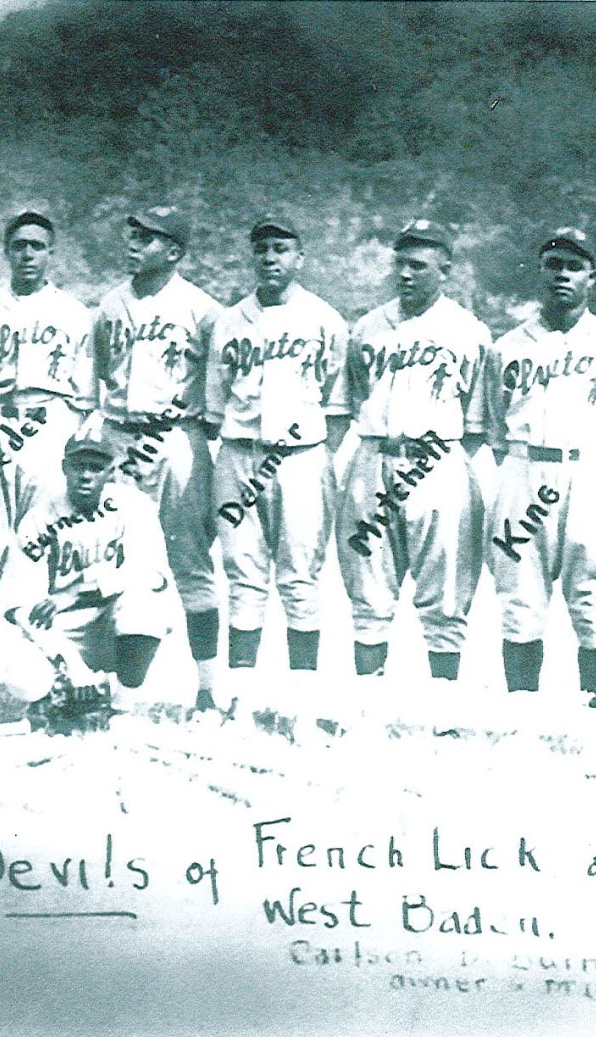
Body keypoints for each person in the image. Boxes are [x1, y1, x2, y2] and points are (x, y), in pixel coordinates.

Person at [482, 227, 596, 709]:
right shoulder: (507, 346)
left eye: (574, 266)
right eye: (553, 265)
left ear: (591, 277)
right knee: (518, 592)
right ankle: (521, 707)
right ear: (539, 273)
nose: (562, 275)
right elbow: (496, 432)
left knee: (595, 590)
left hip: (590, 473)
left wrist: (586, 464)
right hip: (523, 468)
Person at [329, 219, 492, 690]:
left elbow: (477, 423)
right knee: (368, 590)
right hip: (373, 456)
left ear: (445, 269)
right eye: (400, 263)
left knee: (444, 594)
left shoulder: (469, 330)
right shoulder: (367, 326)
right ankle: (367, 701)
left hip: (436, 460)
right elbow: (352, 398)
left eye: (417, 265)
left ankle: (441, 707)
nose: (405, 274)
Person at [0, 209, 94, 724]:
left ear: (51, 253)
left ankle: (48, 687)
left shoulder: (76, 313)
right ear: (6, 252)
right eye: (19, 246)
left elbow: (86, 391)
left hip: (48, 426)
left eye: (38, 246)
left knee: (41, 560)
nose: (28, 255)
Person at [205, 214, 348, 723]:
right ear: (252, 257)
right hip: (240, 452)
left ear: (299, 258)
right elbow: (214, 404)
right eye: (262, 248)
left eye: (281, 249)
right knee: (242, 576)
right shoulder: (229, 320)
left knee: (300, 578)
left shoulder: (326, 320)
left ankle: (301, 706)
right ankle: (238, 702)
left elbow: (337, 407)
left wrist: (315, 458)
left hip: (301, 458)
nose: (271, 258)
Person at [91, 205, 224, 721]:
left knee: (189, 563)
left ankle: (208, 691)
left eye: (148, 239)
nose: (134, 245)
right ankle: (113, 692)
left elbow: (214, 395)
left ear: (174, 252)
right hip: (119, 434)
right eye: (133, 235)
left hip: (175, 438)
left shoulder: (204, 310)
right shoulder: (109, 305)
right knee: (110, 562)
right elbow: (104, 370)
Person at [8, 416, 174, 732]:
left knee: (145, 609)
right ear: (63, 467)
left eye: (96, 467)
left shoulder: (134, 506)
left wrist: (80, 588)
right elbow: (20, 606)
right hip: (63, 632)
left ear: (110, 471)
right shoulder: (39, 517)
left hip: (112, 625)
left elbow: (153, 576)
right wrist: (70, 663)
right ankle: (53, 700)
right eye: (78, 465)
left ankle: (120, 709)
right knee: (21, 677)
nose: (86, 475)